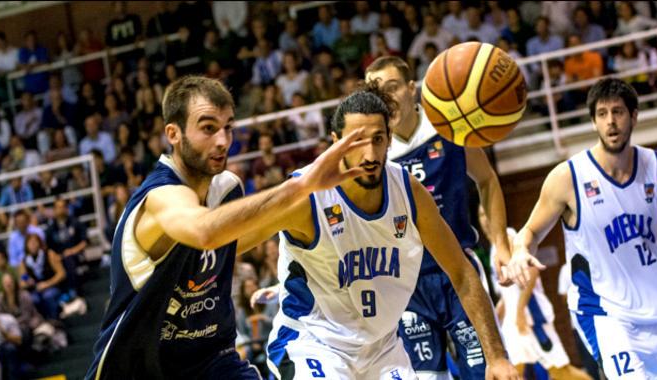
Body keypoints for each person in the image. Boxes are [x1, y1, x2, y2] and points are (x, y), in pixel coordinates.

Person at [85, 75, 371, 379]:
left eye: (228, 128)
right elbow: (206, 233)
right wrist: (301, 186)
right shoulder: (160, 197)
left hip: (211, 361)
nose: (222, 141)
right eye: (208, 128)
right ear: (174, 133)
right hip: (141, 370)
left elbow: (242, 237)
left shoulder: (225, 189)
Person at [254, 85, 517, 379]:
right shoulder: (307, 195)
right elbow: (232, 243)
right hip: (315, 343)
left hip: (382, 349)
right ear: (335, 143)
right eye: (356, 141)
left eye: (378, 140)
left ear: (389, 140)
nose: (369, 154)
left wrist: (498, 357)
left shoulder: (408, 192)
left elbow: (462, 273)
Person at [504, 78, 657, 379]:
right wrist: (521, 251)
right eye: (602, 114)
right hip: (608, 315)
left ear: (634, 116)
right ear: (593, 122)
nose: (611, 121)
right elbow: (531, 232)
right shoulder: (568, 177)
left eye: (618, 112)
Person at [365, 56, 513, 380]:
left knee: (488, 371)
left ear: (411, 89)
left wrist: (501, 244)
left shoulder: (448, 129)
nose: (386, 97)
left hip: (457, 272)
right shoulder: (372, 152)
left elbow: (487, 181)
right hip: (405, 283)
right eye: (376, 91)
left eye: (392, 87)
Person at [487, 225, 590, 380]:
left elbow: (532, 271)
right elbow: (507, 292)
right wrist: (499, 312)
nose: (484, 220)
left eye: (486, 214)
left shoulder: (508, 236)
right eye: (480, 215)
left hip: (532, 318)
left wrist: (520, 311)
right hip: (513, 321)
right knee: (514, 371)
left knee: (561, 372)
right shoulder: (493, 249)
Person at [18, 234, 66, 320]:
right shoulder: (24, 261)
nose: (32, 245)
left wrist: (47, 284)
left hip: (52, 286)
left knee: (48, 295)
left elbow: (61, 274)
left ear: (39, 243)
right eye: (30, 243)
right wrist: (28, 282)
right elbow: (22, 281)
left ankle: (54, 320)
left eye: (34, 242)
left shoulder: (49, 254)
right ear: (26, 246)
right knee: (32, 299)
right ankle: (42, 322)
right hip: (35, 289)